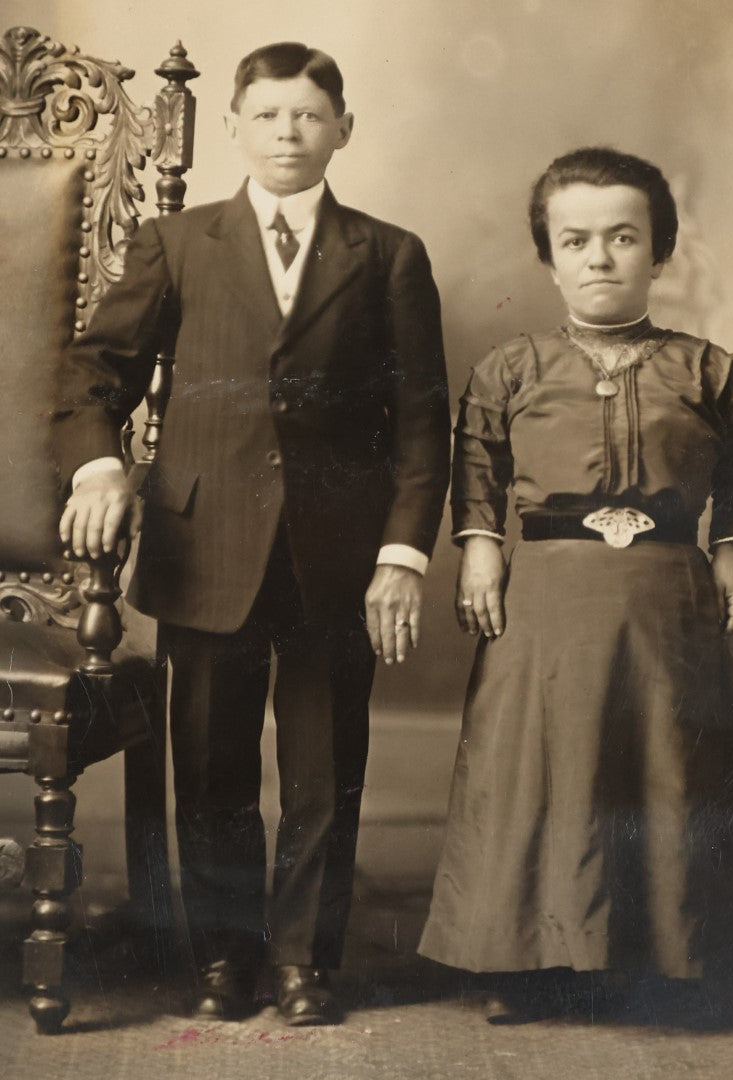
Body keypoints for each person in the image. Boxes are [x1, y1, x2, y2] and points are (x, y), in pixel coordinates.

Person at [53, 42, 450, 1026]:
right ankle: (225, 956)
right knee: (212, 767)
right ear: (233, 125)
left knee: (323, 772)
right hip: (204, 547)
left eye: (308, 116)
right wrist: (101, 462)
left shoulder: (388, 255)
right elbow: (94, 366)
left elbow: (418, 424)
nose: (287, 133)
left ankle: (302, 964)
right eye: (268, 115)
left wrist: (400, 554)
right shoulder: (180, 243)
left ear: (342, 131)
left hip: (335, 555)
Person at [419, 148, 733, 1020]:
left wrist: (729, 549)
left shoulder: (707, 371)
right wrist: (478, 548)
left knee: (662, 767)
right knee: (541, 769)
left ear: (661, 253)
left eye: (623, 237)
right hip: (543, 601)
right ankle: (524, 963)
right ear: (547, 255)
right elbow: (476, 467)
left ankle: (669, 961)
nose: (599, 257)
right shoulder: (510, 370)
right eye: (575, 240)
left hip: (663, 602)